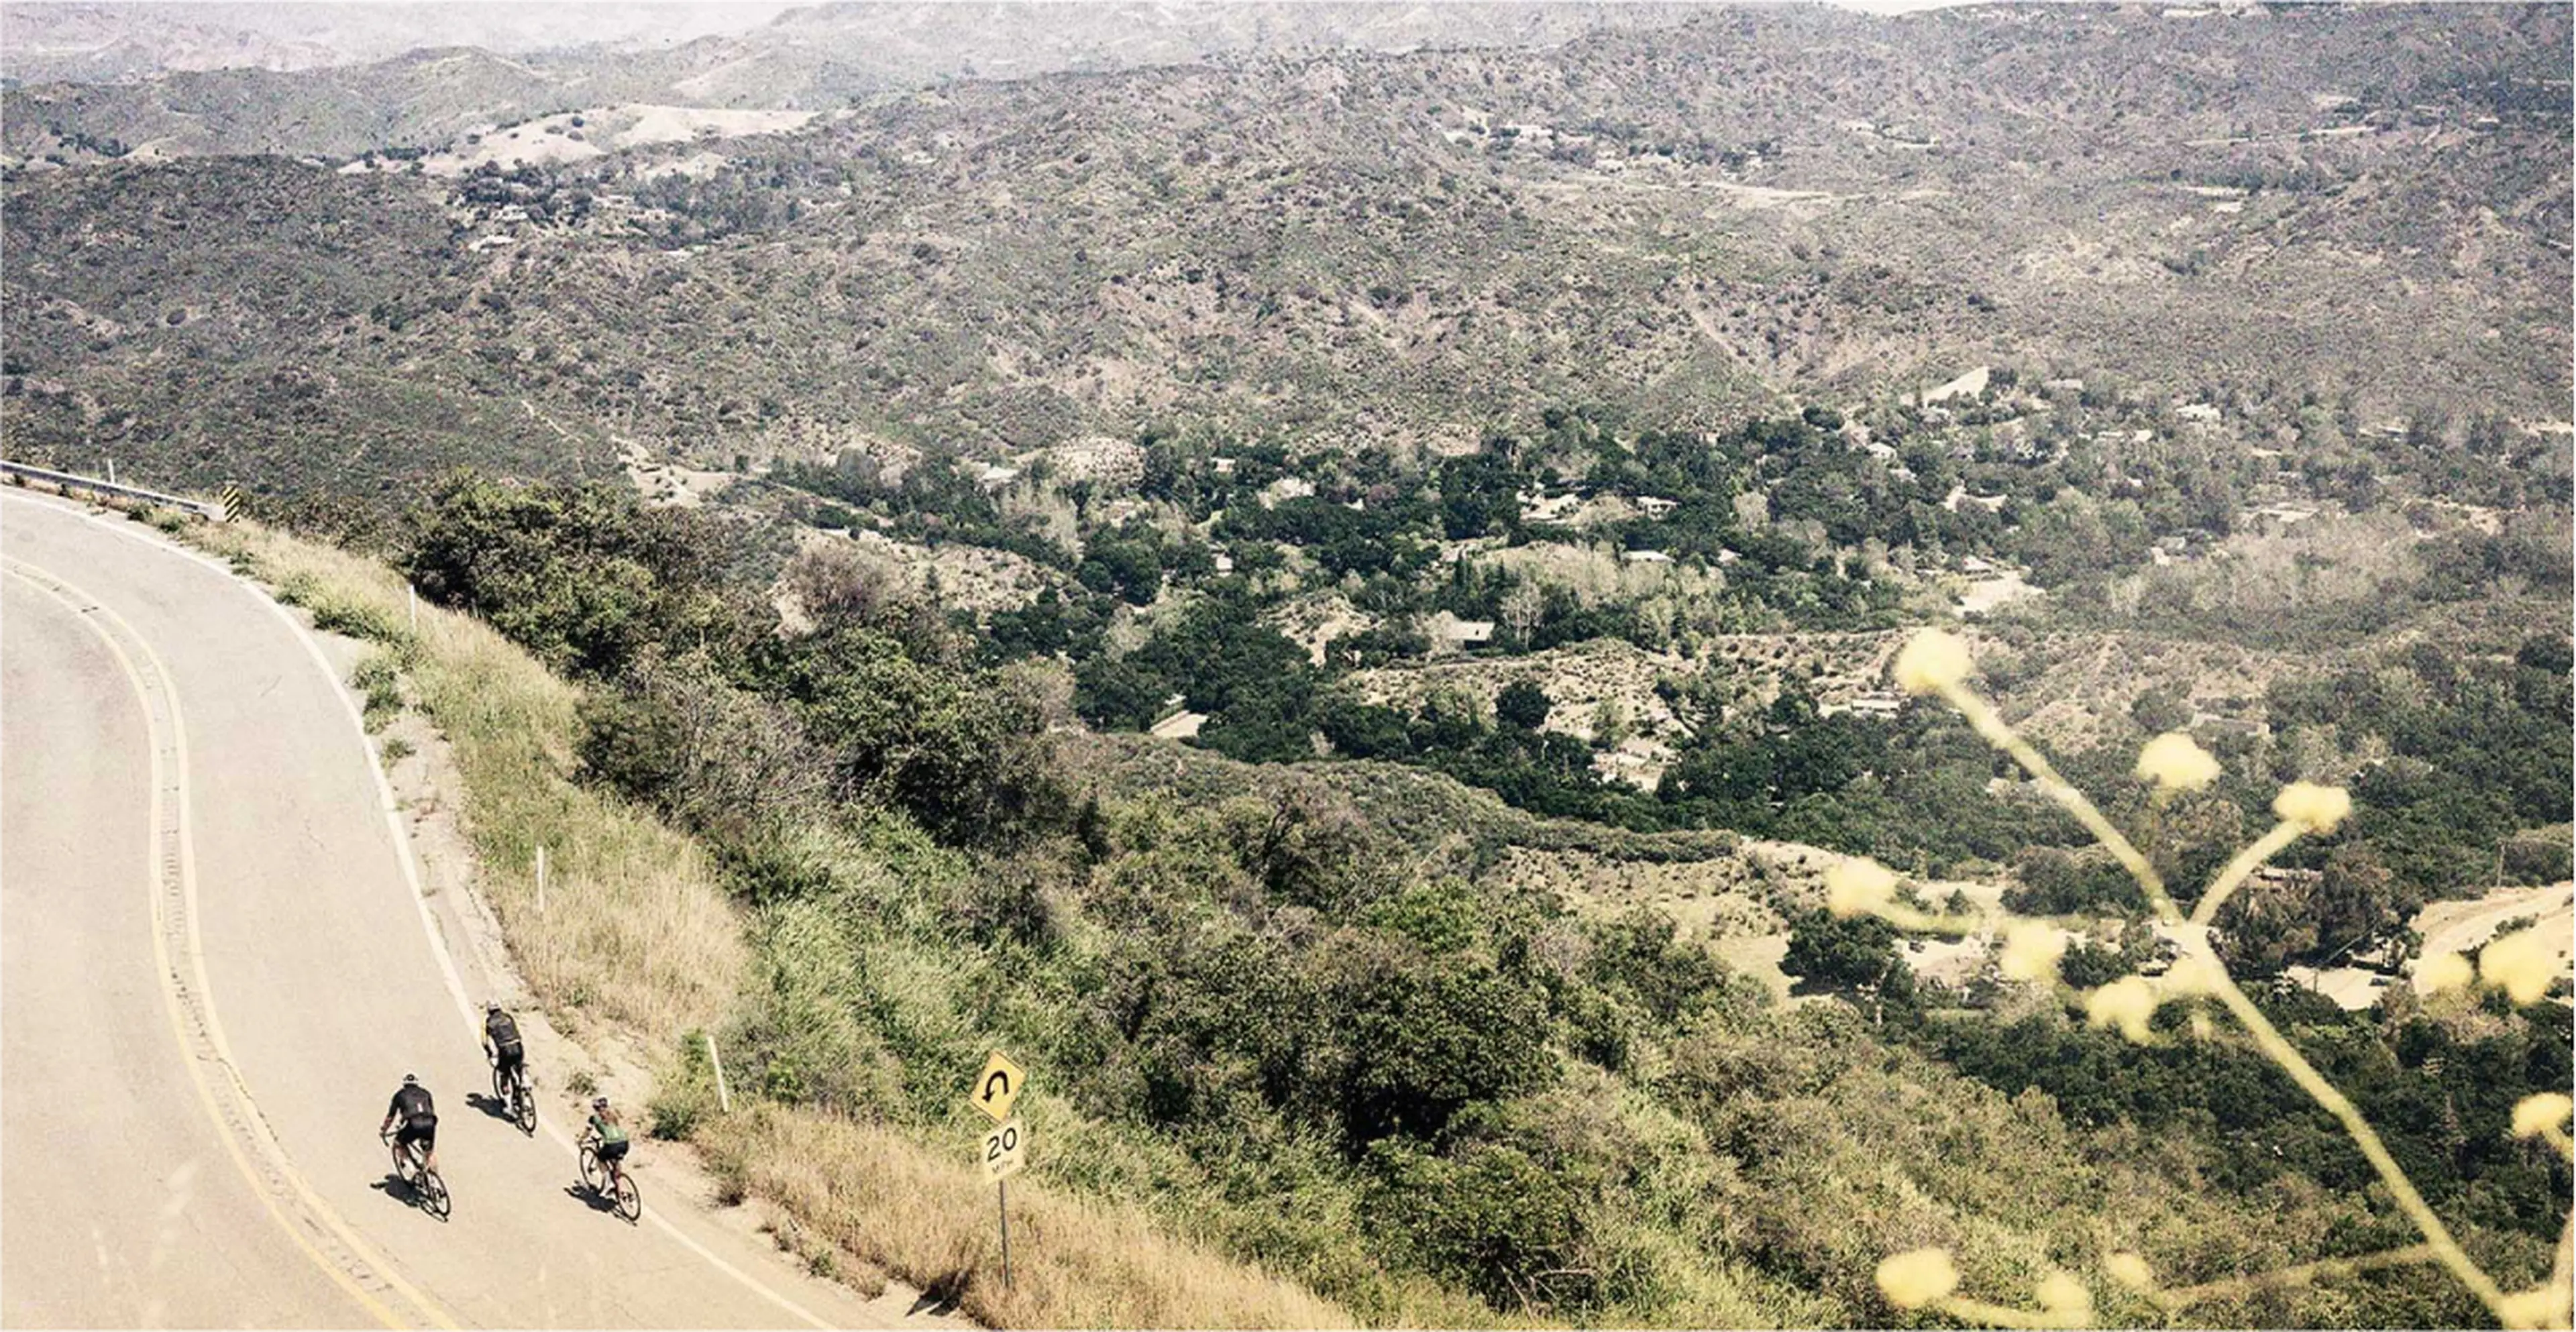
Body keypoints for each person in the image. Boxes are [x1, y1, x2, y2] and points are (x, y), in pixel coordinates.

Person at [380, 1073, 439, 1176]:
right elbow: (430, 1110)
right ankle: (435, 1181)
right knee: (429, 1152)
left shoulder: (399, 1095)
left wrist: (384, 1130)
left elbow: (391, 1116)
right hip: (430, 1122)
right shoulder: (426, 1093)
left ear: (404, 1085)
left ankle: (412, 1170)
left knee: (399, 1143)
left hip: (413, 1123)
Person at [483, 1001, 526, 1100]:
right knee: (519, 1066)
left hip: (505, 1050)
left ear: (489, 1011)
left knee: (504, 1072)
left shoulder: (488, 1022)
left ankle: (507, 1099)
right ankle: (523, 1084)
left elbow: (485, 1042)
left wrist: (489, 1052)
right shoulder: (508, 1017)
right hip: (518, 1046)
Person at [582, 1095, 630, 1184]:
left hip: (611, 1145)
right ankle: (620, 1185)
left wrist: (580, 1140)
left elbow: (587, 1132)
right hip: (625, 1142)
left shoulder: (594, 1118)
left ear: (595, 1108)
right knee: (616, 1160)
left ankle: (608, 1182)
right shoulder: (614, 1115)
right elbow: (613, 1129)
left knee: (600, 1159)